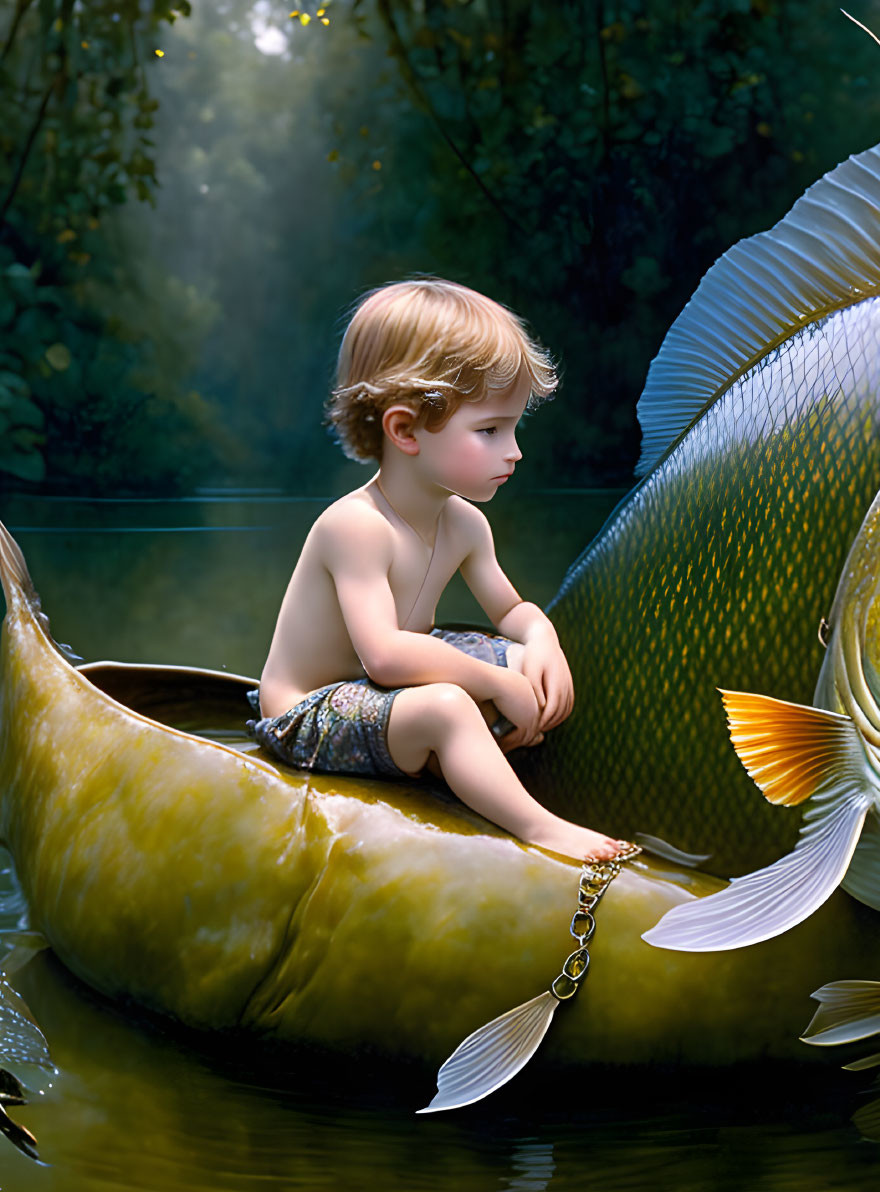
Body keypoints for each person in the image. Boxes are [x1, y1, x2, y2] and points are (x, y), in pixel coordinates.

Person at [248, 278, 631, 862]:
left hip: (384, 689)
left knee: (522, 659)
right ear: (405, 430)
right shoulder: (355, 527)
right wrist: (497, 684)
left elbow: (508, 610)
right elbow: (385, 655)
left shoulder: (464, 524)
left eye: (513, 427)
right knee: (452, 705)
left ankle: (474, 762)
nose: (515, 451)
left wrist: (539, 637)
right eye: (490, 431)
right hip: (313, 708)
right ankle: (540, 828)